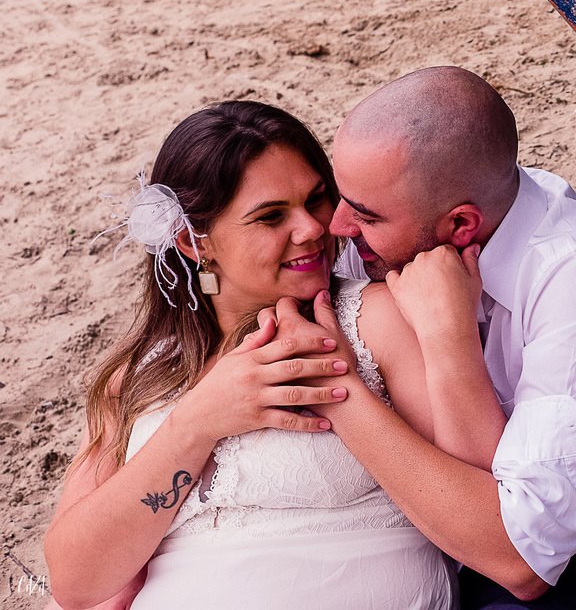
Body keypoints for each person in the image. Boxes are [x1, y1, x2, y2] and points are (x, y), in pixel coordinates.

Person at [275, 66, 576, 610]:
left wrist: (438, 341)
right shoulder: (403, 224)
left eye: (365, 216)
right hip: (438, 537)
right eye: (341, 198)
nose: (335, 228)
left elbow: (522, 561)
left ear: (461, 226)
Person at [43, 101, 459, 610]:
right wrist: (195, 423)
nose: (313, 228)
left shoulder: (376, 320)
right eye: (271, 216)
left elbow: (475, 513)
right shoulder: (139, 376)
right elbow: (75, 582)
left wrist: (344, 390)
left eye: (317, 198)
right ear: (193, 243)